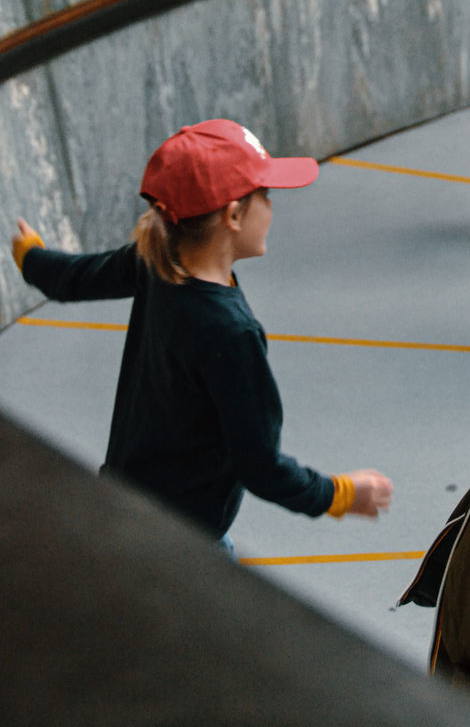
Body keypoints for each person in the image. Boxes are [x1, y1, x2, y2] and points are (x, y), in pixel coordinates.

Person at [10, 118, 393, 545]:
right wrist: (339, 494)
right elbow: (261, 466)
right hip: (183, 537)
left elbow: (74, 277)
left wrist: (33, 259)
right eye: (264, 195)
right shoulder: (232, 334)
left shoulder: (157, 259)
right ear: (233, 214)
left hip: (124, 499)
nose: (272, 206)